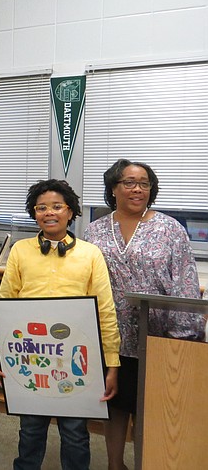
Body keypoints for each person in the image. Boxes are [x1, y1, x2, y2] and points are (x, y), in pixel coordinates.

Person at [0, 179, 121, 470]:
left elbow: (105, 311)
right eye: (41, 208)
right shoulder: (21, 251)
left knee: (75, 433)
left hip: (76, 358)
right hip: (32, 355)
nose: (49, 213)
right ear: (34, 213)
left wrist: (111, 364)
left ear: (71, 211)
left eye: (57, 207)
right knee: (31, 430)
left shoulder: (90, 253)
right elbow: (5, 302)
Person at [84, 159, 204, 470]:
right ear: (114, 188)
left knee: (150, 408)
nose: (138, 189)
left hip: (159, 337)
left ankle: (147, 463)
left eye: (145, 183)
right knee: (115, 404)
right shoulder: (95, 229)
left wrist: (183, 338)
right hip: (110, 336)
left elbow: (186, 283)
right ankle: (114, 463)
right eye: (130, 182)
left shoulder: (169, 229)